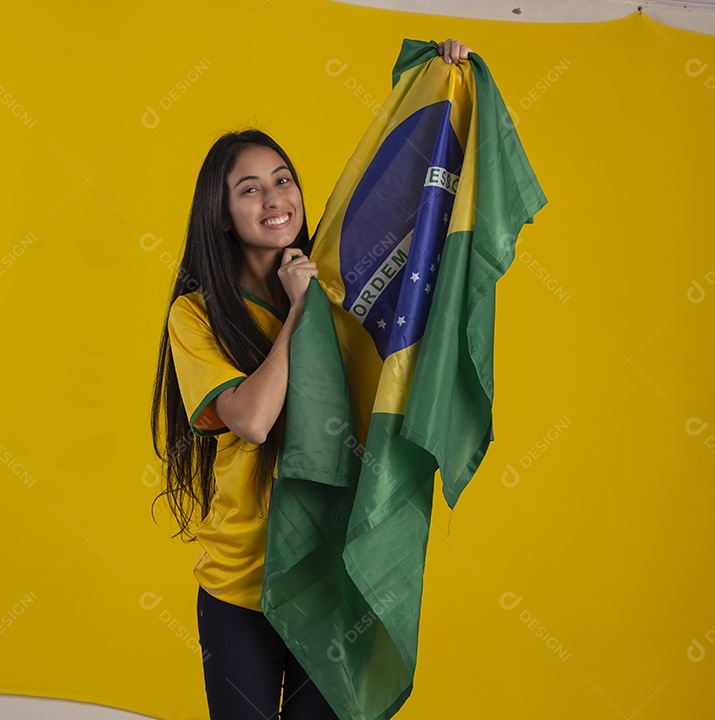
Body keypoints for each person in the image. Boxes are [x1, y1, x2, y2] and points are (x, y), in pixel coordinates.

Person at [149, 38, 472, 720]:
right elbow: (252, 418)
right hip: (241, 589)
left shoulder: (342, 274)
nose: (275, 197)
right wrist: (300, 310)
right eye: (250, 188)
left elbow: (414, 202)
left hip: (333, 575)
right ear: (222, 214)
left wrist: (441, 84)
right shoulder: (199, 313)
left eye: (283, 179)